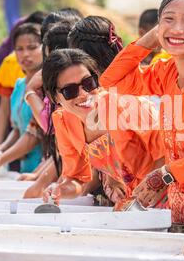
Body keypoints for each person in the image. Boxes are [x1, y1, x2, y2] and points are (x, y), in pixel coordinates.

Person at [100, 0, 184, 229]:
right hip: (178, 200)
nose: (177, 28)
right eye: (169, 19)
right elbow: (111, 81)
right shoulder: (164, 70)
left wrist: (167, 173)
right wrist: (154, 37)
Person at [41, 48, 164, 205]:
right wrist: (59, 189)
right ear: (55, 97)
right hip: (132, 206)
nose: (83, 94)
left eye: (88, 83)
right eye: (70, 91)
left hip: (168, 196)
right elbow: (76, 179)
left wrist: (152, 191)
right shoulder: (64, 121)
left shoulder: (126, 105)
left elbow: (167, 155)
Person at [0, 23, 44, 173]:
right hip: (25, 169)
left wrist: (2, 158)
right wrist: (2, 147)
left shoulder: (45, 86)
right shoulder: (19, 86)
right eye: (19, 49)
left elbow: (34, 135)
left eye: (32, 47)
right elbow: (17, 130)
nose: (25, 54)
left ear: (45, 48)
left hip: (43, 167)